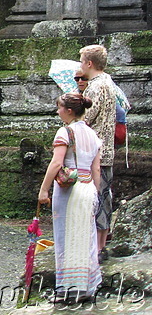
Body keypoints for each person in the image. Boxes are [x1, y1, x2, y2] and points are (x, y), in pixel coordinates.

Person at [38, 93, 102, 304]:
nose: (58, 112)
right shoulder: (93, 135)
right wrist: (95, 193)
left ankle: (66, 289)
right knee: (86, 237)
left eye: (59, 108)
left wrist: (44, 189)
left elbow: (56, 164)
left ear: (69, 111)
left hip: (69, 190)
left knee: (65, 236)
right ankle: (87, 287)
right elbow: (96, 169)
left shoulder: (65, 132)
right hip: (88, 189)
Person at [79, 44, 116, 257]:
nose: (81, 65)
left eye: (82, 61)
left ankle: (98, 246)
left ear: (89, 63)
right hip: (106, 150)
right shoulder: (108, 82)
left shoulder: (95, 86)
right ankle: (101, 243)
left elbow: (86, 117)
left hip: (94, 153)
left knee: (97, 198)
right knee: (104, 197)